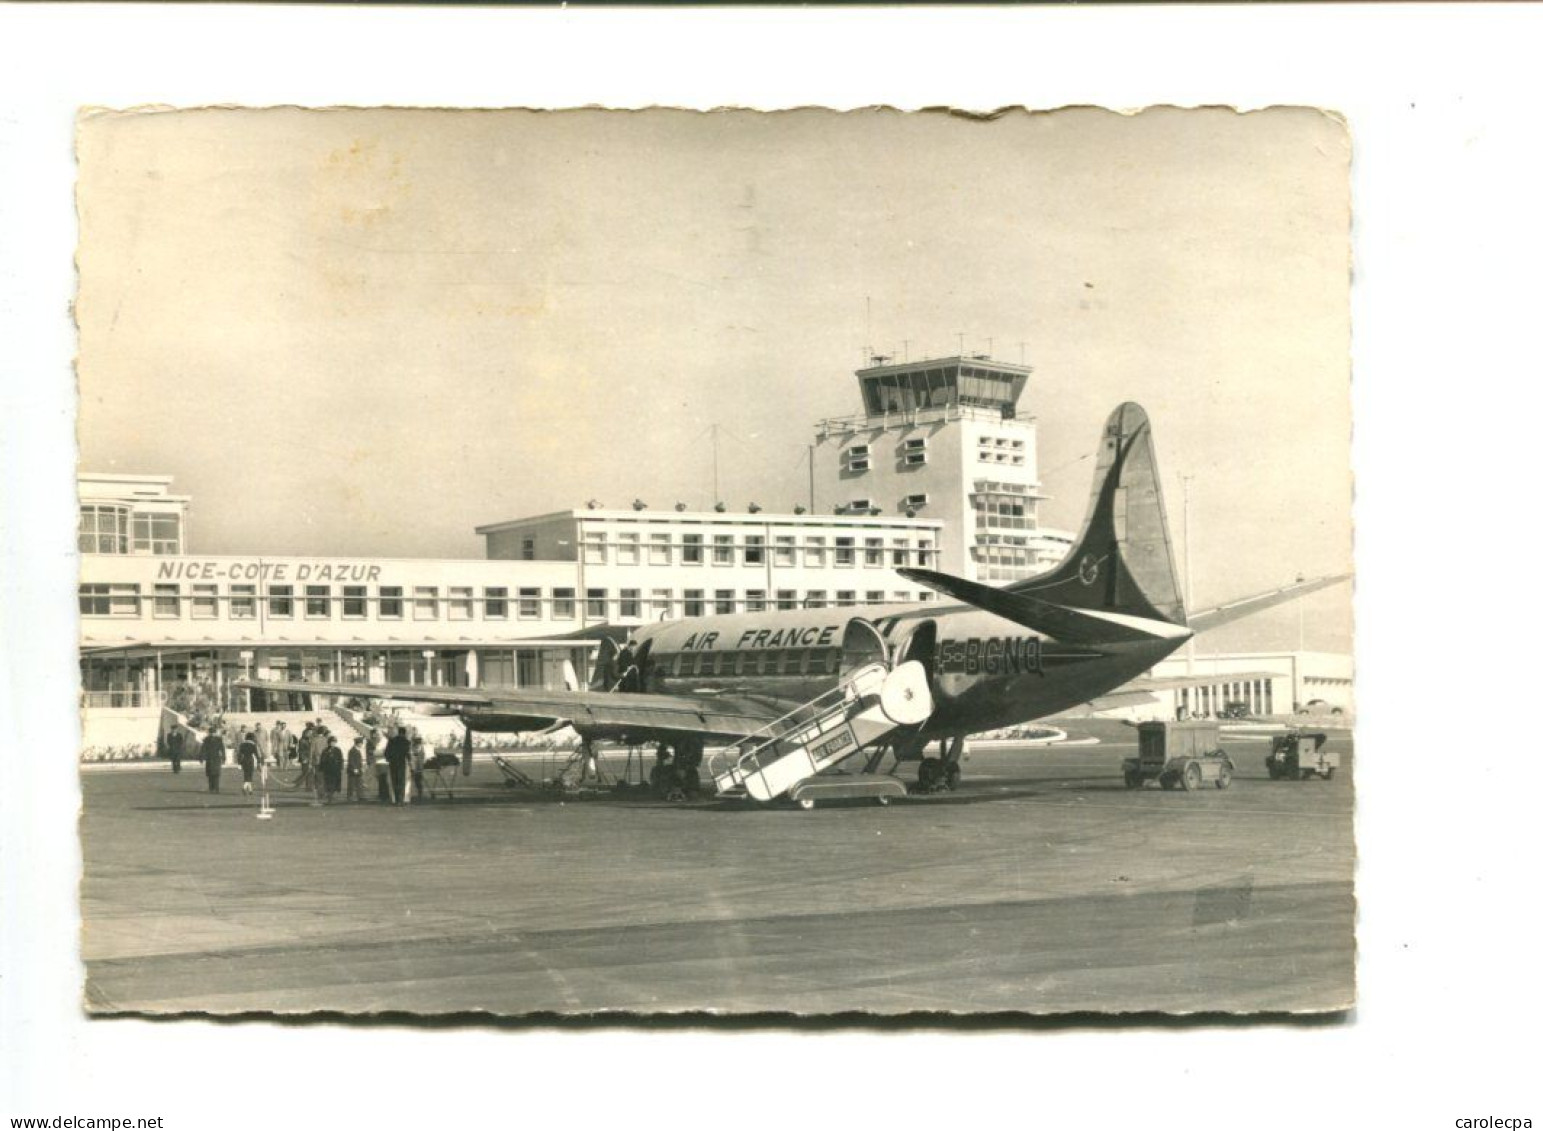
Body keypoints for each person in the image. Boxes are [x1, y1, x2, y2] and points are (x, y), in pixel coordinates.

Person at [384, 725, 410, 805]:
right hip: (402, 763)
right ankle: (400, 800)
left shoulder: (391, 741)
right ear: (404, 733)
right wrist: (410, 762)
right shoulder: (406, 742)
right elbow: (408, 754)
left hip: (393, 763)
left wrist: (389, 759)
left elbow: (386, 753)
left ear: (398, 732)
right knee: (401, 782)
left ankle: (395, 799)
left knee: (394, 781)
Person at [200, 727, 226, 793]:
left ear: (215, 733)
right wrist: (201, 757)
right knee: (210, 774)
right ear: (209, 733)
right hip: (209, 758)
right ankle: (211, 788)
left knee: (216, 774)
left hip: (216, 758)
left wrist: (223, 757)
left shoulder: (219, 739)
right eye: (211, 733)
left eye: (213, 733)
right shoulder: (206, 739)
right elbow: (203, 748)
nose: (212, 734)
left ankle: (216, 788)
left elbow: (222, 749)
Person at [319, 735, 344, 805]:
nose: (332, 744)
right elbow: (322, 760)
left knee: (335, 783)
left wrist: (341, 767)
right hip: (328, 770)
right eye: (331, 742)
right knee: (328, 783)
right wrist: (321, 769)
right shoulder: (325, 750)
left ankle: (331, 796)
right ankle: (330, 797)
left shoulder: (338, 750)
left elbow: (341, 759)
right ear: (328, 743)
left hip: (336, 770)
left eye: (334, 742)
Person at [237, 731, 260, 796]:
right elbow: (257, 754)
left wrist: (239, 763)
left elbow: (239, 754)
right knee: (249, 775)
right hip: (250, 760)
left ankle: (250, 790)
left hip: (243, 761)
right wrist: (259, 762)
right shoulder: (253, 744)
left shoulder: (242, 744)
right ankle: (244, 787)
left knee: (246, 775)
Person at [345, 738, 365, 802]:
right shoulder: (352, 750)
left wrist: (361, 768)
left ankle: (360, 796)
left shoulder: (357, 750)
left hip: (358, 769)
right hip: (353, 770)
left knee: (359, 783)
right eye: (361, 743)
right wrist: (355, 769)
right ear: (358, 743)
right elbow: (351, 761)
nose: (362, 745)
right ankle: (350, 797)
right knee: (351, 784)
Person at [410, 734, 427, 803]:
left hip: (417, 766)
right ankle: (417, 793)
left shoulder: (419, 747)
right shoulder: (416, 747)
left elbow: (420, 756)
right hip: (416, 766)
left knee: (418, 780)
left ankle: (419, 793)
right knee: (416, 780)